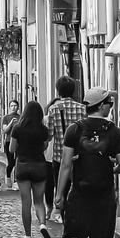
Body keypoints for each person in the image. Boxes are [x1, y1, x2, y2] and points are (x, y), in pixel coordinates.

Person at [54, 87, 120, 238]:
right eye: (109, 104)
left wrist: (59, 194)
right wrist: (110, 169)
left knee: (72, 237)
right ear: (103, 105)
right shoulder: (115, 133)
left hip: (80, 191)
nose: (111, 107)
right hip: (104, 193)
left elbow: (66, 165)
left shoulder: (74, 130)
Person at [9, 101, 52, 238]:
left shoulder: (17, 128)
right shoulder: (43, 130)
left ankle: (27, 236)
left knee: (26, 203)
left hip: (22, 165)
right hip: (39, 165)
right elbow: (45, 146)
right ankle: (42, 225)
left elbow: (11, 149)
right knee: (39, 201)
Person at [47, 76, 86, 222]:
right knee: (77, 190)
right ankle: (76, 219)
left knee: (61, 190)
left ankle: (63, 219)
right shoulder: (82, 109)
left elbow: (49, 134)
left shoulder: (53, 109)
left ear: (58, 91)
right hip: (79, 157)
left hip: (60, 157)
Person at [1, 99, 20, 187]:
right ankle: (8, 176)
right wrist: (11, 123)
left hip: (19, 142)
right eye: (12, 106)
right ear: (9, 107)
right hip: (9, 141)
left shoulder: (21, 117)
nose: (13, 107)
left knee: (17, 161)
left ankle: (16, 181)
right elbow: (5, 130)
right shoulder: (6, 118)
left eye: (15, 106)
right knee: (11, 162)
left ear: (18, 107)